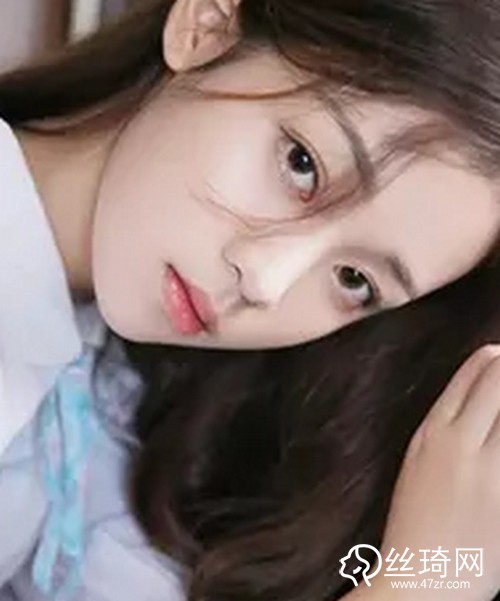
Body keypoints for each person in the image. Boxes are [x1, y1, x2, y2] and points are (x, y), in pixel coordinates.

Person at [1, 0, 500, 599]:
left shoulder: (99, 396)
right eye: (302, 166)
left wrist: (438, 567)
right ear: (206, 24)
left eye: (354, 280)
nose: (266, 283)